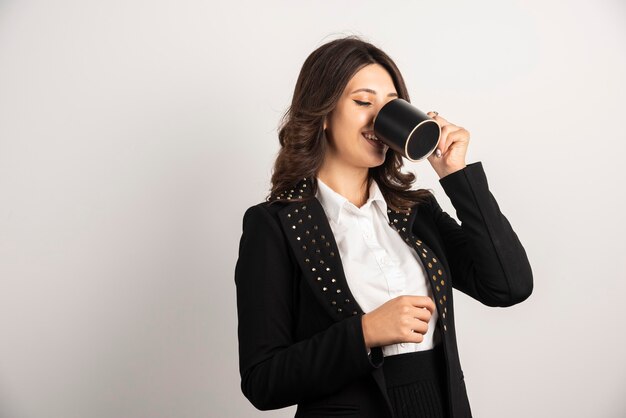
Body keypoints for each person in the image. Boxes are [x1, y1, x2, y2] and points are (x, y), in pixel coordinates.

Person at [234, 35, 533, 418]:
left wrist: (456, 176)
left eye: (390, 105)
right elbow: (263, 380)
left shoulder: (415, 211)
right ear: (323, 113)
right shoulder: (273, 225)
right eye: (363, 102)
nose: (379, 118)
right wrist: (364, 333)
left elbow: (509, 286)